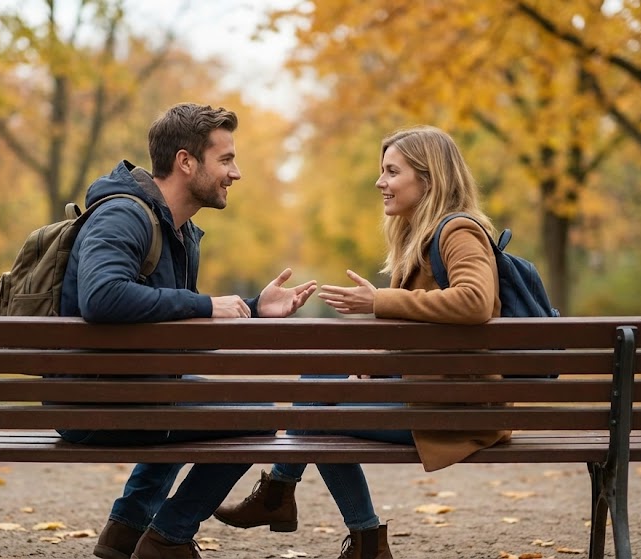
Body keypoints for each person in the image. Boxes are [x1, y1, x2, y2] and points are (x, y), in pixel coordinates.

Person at [213, 125, 511, 559]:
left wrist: (380, 301)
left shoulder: (457, 231)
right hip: (436, 394)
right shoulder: (422, 236)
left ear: (427, 179)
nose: (380, 182)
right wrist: (381, 359)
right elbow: (435, 330)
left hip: (453, 410)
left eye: (392, 172)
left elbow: (475, 301)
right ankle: (300, 505)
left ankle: (296, 502)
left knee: (320, 414)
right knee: (317, 377)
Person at [58, 103, 317, 559]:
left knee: (190, 392)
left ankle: (126, 529)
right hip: (96, 404)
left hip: (131, 393)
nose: (235, 173)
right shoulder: (124, 215)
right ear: (185, 162)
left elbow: (170, 320)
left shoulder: (178, 230)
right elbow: (101, 297)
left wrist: (254, 309)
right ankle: (168, 538)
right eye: (226, 159)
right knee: (253, 416)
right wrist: (206, 305)